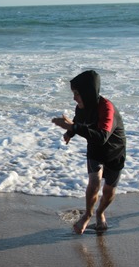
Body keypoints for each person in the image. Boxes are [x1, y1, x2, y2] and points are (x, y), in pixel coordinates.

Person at [51, 70, 126, 234]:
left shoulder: (107, 108)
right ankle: (88, 214)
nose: (74, 98)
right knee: (94, 184)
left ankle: (100, 212)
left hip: (115, 151)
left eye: (77, 93)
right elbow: (79, 121)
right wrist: (70, 132)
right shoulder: (81, 107)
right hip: (95, 147)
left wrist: (73, 127)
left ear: (88, 93)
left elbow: (102, 136)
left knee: (108, 190)